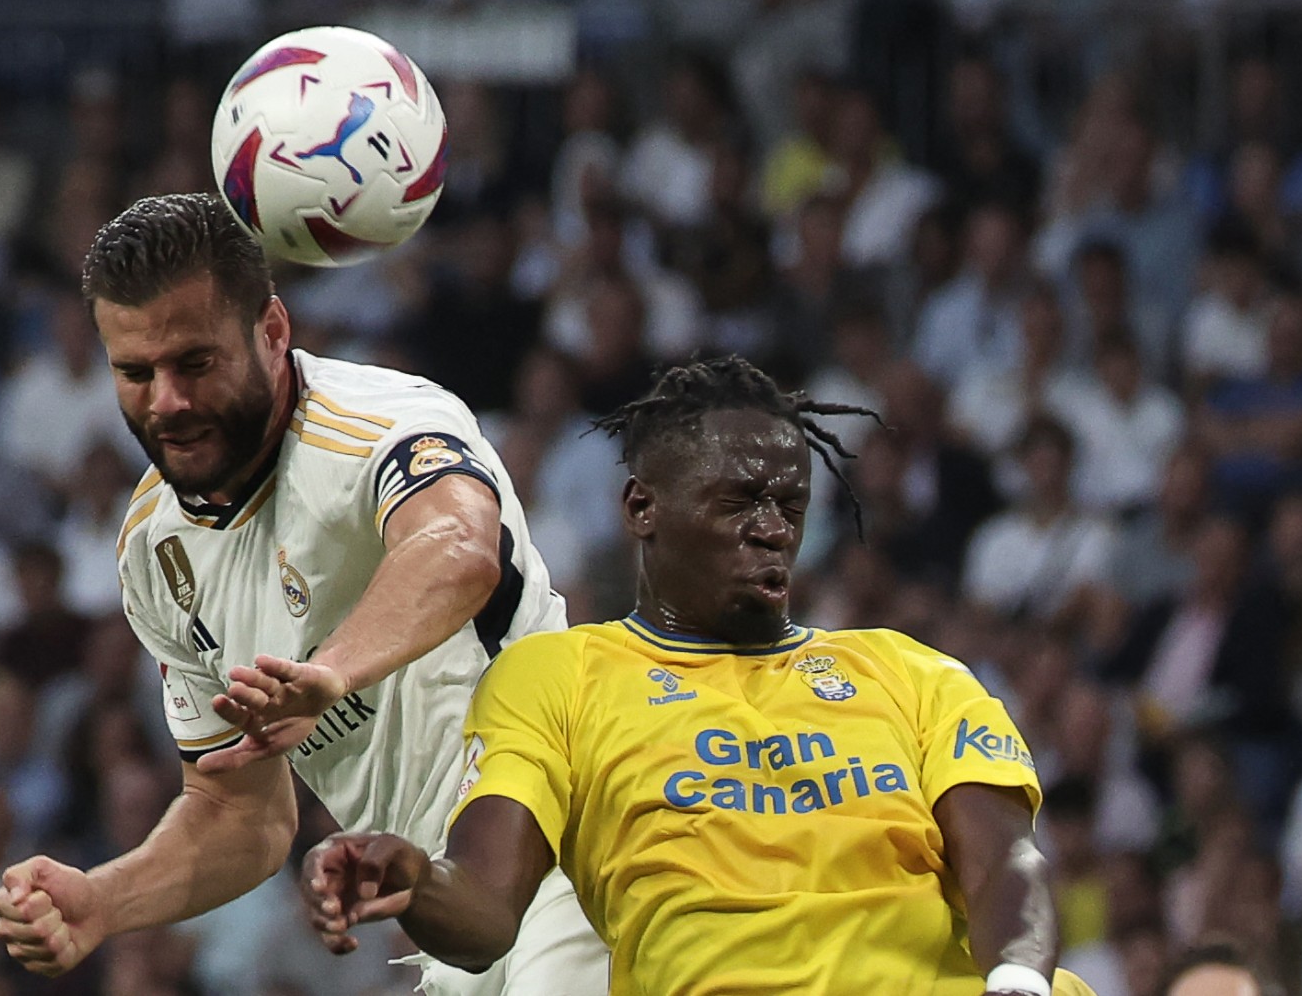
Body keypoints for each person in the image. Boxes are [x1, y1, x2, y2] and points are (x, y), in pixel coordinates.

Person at [295, 357, 1095, 996]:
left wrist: (1017, 981)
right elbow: (486, 909)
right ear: (643, 508)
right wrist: (412, 877)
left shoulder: (910, 670)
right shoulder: (560, 675)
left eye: (790, 503)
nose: (773, 529)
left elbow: (1005, 860)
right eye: (740, 501)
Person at [0, 193, 608, 995]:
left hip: (567, 847)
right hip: (450, 917)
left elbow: (458, 549)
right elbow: (240, 813)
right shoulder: (152, 549)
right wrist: (105, 900)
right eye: (135, 373)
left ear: (273, 331)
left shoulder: (382, 421)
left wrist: (332, 670)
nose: (166, 402)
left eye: (194, 363)